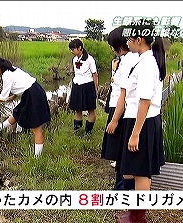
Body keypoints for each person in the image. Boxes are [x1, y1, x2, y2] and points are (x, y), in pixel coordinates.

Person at [115, 21, 166, 223]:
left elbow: (144, 100)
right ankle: (134, 212)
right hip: (138, 120)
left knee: (141, 173)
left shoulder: (147, 64)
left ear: (139, 40)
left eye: (129, 39)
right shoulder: (143, 60)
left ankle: (138, 218)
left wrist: (136, 133)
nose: (127, 42)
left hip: (142, 123)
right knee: (134, 171)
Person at [0, 56, 51, 157]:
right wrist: (14, 96)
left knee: (37, 128)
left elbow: (3, 96)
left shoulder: (6, 75)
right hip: (33, 91)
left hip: (33, 94)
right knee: (18, 112)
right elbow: (22, 82)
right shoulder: (12, 68)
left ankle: (37, 158)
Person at [101, 26, 140, 192]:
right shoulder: (125, 59)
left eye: (112, 44)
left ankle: (122, 189)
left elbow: (124, 94)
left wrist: (115, 119)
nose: (111, 48)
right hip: (119, 107)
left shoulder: (129, 60)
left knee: (121, 151)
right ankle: (120, 187)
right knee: (119, 150)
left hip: (122, 110)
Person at [68, 39, 98, 137]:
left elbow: (95, 74)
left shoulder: (89, 59)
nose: (71, 51)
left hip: (88, 85)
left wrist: (95, 89)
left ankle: (88, 131)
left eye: (73, 49)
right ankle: (77, 129)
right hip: (77, 85)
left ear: (80, 48)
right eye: (71, 49)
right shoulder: (74, 59)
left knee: (91, 109)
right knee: (77, 109)